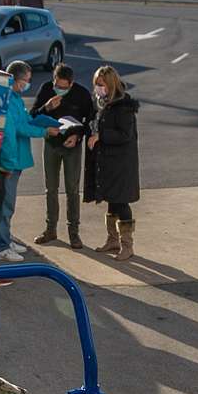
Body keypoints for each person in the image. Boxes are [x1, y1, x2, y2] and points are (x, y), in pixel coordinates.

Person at [0, 61, 57, 268]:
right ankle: (1, 245)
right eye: (25, 81)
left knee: (8, 204)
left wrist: (43, 120)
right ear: (14, 78)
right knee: (4, 204)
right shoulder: (7, 98)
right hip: (8, 163)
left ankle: (5, 239)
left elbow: (24, 121)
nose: (27, 85)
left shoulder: (13, 97)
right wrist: (43, 131)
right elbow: (16, 130)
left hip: (15, 160)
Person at [32, 63, 94, 249]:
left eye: (64, 87)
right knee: (50, 188)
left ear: (71, 83)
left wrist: (78, 135)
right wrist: (47, 107)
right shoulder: (46, 90)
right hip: (51, 144)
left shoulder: (81, 94)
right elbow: (32, 115)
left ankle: (73, 233)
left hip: (72, 147)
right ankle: (50, 229)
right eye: (57, 85)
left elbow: (90, 119)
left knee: (72, 190)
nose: (59, 89)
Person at [83, 65, 141, 261]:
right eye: (96, 84)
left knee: (121, 201)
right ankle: (112, 239)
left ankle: (127, 245)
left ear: (110, 84)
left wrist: (101, 136)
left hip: (121, 163)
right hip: (106, 161)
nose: (98, 88)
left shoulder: (123, 106)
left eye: (101, 84)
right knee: (111, 200)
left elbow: (125, 135)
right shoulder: (100, 102)